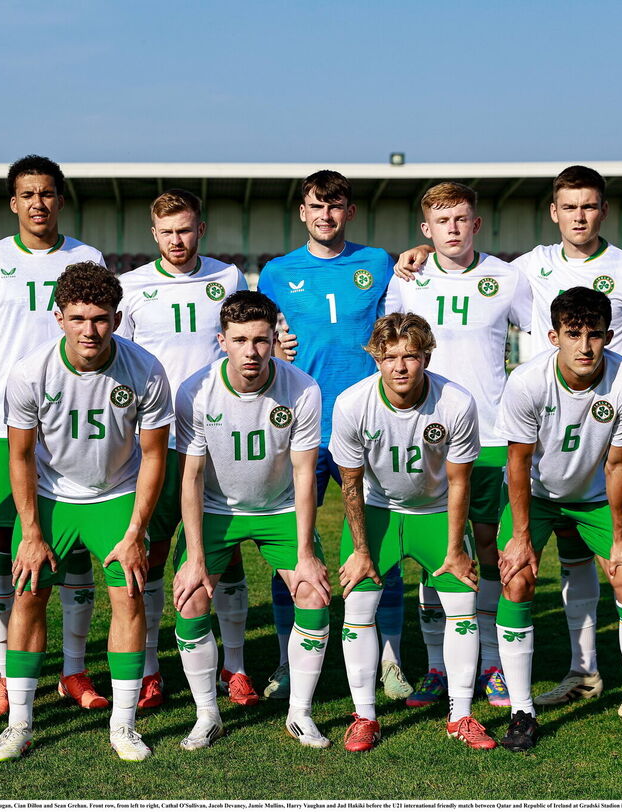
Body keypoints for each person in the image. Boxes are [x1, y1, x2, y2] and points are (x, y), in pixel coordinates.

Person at [395, 166, 622, 712]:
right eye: (570, 207)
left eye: (589, 206)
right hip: (521, 434)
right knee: (464, 549)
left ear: (603, 210)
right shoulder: (527, 268)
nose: (579, 216)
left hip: (594, 431)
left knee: (608, 556)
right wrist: (418, 251)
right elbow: (463, 263)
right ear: (554, 212)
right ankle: (482, 666)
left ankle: (578, 671)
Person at [0, 262, 172, 763]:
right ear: (58, 317)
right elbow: (20, 456)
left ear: (116, 316)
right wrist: (30, 531)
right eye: (78, 318)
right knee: (27, 598)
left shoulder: (145, 368)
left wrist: (136, 531)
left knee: (129, 597)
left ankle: (124, 725)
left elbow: (154, 454)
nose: (89, 330)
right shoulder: (30, 372)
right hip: (51, 496)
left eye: (100, 318)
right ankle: (20, 724)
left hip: (115, 494)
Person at [494, 286, 622, 755]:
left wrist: (620, 539)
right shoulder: (527, 382)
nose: (586, 346)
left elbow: (619, 465)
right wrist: (519, 538)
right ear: (553, 335)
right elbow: (518, 461)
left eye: (595, 334)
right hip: (537, 495)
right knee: (516, 579)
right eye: (574, 334)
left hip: (595, 497)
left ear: (610, 335)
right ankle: (521, 711)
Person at [0, 156, 108, 717]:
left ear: (59, 200)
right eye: (28, 194)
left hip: (75, 422)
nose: (38, 203)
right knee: (7, 542)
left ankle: (74, 670)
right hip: (9, 426)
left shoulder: (86, 258)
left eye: (47, 193)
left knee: (72, 545)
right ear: (13, 202)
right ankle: (2, 674)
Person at [255, 169, 408, 701]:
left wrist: (416, 254)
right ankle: (285, 660)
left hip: (369, 427)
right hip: (299, 426)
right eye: (317, 207)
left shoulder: (379, 263)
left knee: (380, 543)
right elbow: (261, 336)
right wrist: (274, 346)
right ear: (303, 212)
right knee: (291, 546)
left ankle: (390, 661)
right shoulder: (276, 273)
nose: (326, 216)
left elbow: (408, 311)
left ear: (350, 211)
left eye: (335, 206)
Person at [384, 182, 531, 710]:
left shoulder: (507, 277)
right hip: (426, 435)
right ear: (426, 230)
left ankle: (490, 663)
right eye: (441, 222)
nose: (452, 229)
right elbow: (392, 344)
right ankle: (437, 667)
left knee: (489, 550)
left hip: (491, 436)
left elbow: (539, 341)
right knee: (433, 555)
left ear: (476, 224)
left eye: (461, 219)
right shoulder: (410, 277)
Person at [170, 290, 332, 750]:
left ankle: (300, 713)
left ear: (275, 338)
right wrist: (195, 557)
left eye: (261, 339)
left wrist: (304, 554)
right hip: (218, 509)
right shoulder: (195, 392)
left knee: (313, 592)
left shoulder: (302, 387)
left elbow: (304, 473)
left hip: (279, 507)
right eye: (240, 339)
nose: (252, 351)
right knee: (191, 596)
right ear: (222, 340)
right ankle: (207, 715)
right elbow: (192, 478)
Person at [329, 312, 494, 752]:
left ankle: (460, 714)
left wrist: (457, 548)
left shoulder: (455, 403)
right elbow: (349, 483)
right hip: (379, 512)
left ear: (426, 356)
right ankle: (364, 715)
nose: (399, 366)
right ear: (375, 358)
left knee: (462, 603)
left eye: (410, 356)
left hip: (436, 511)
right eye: (389, 357)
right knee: (358, 606)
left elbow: (460, 482)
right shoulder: (350, 404)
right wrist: (361, 550)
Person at [117, 189, 253, 709]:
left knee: (226, 554)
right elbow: (121, 361)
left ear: (201, 229)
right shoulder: (132, 287)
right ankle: (150, 668)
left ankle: (234, 667)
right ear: (154, 234)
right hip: (152, 445)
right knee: (148, 557)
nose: (177, 240)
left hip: (218, 441)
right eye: (167, 231)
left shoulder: (227, 278)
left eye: (186, 229)